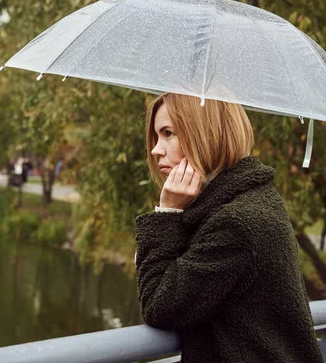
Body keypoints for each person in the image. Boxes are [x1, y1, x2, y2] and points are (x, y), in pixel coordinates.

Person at [135, 92, 322, 362]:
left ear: (206, 134)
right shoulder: (249, 201)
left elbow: (159, 306)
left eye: (168, 133)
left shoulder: (236, 224)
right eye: (156, 136)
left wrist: (167, 214)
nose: (156, 149)